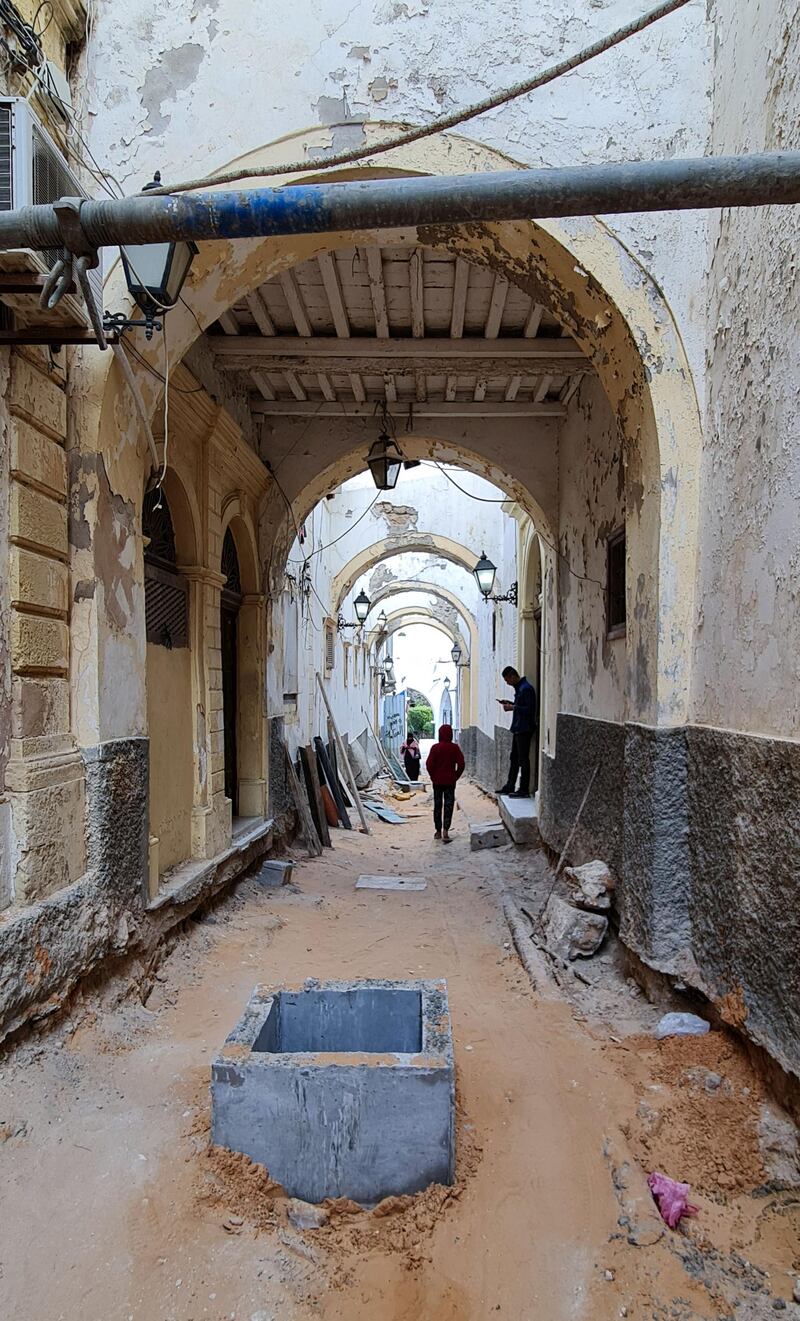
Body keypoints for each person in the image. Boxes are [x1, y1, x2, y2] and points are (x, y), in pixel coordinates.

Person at [497, 665, 537, 798]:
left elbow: (529, 710)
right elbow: (521, 706)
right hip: (518, 728)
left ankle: (524, 789)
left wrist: (513, 707)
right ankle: (510, 785)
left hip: (524, 728)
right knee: (514, 758)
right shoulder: (521, 688)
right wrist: (510, 704)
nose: (507, 683)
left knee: (523, 759)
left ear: (513, 676)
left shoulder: (526, 689)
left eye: (507, 680)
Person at [425, 723, 465, 844]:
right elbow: (461, 764)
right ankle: (446, 830)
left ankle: (437, 831)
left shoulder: (435, 748)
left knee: (438, 805)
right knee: (448, 805)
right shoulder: (455, 748)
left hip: (437, 781)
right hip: (450, 781)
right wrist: (455, 776)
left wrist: (433, 776)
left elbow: (429, 764)